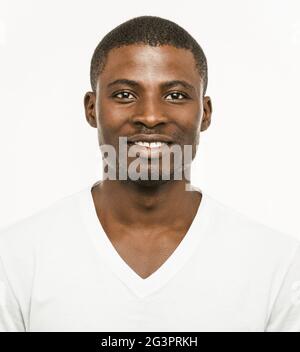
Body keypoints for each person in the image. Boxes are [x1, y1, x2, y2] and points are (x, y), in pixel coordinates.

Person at [0, 15, 299, 332]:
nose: (151, 116)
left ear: (205, 113)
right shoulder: (16, 258)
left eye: (176, 95)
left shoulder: (277, 265)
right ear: (91, 108)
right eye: (125, 95)